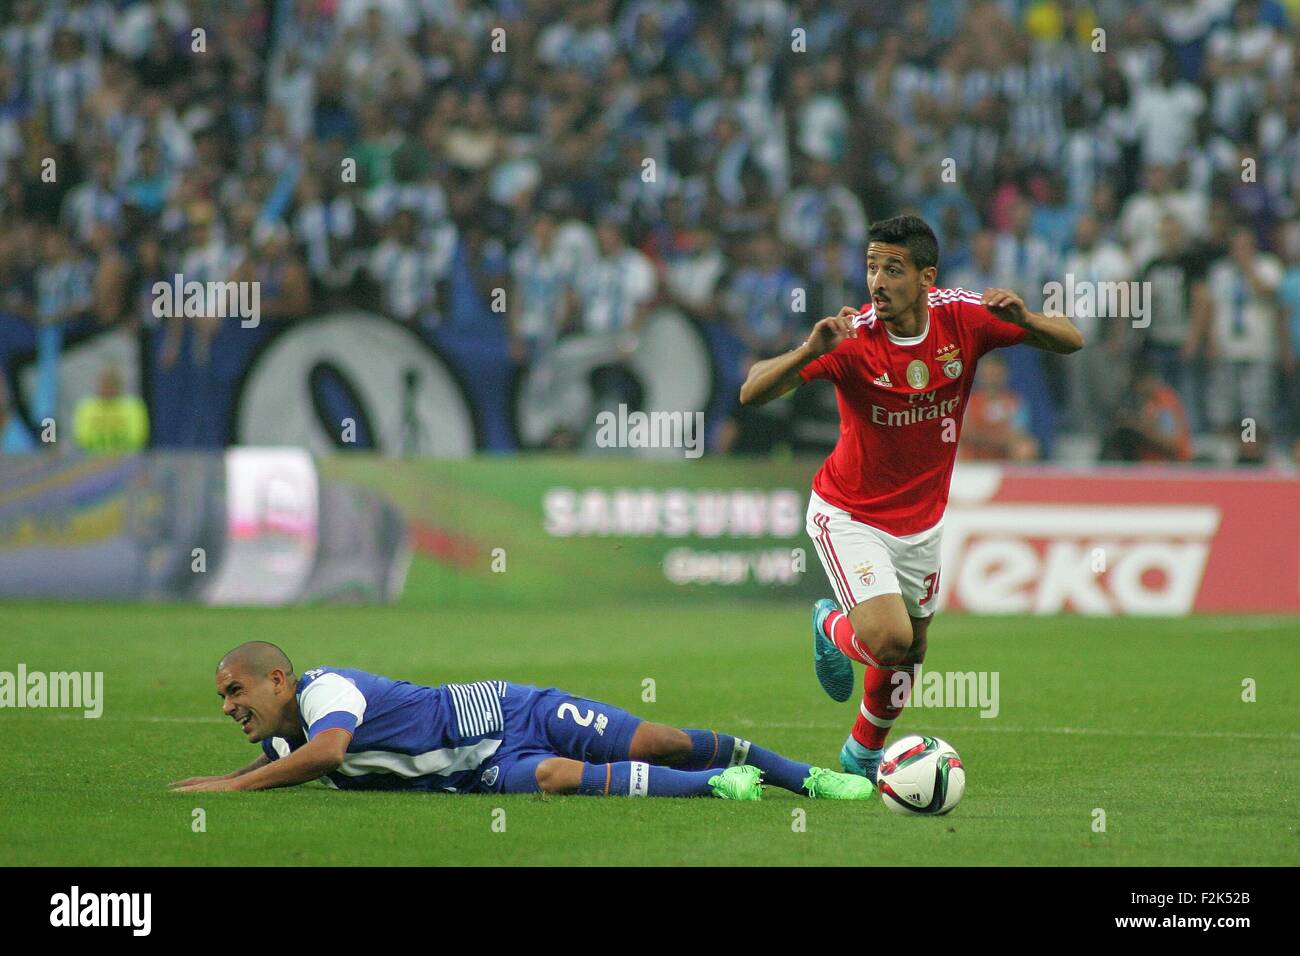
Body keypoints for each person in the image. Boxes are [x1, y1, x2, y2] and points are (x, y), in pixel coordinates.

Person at [738, 215, 1083, 782]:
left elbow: (1071, 340)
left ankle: (863, 753)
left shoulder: (963, 318)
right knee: (888, 637)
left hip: (922, 522)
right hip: (849, 512)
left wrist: (1025, 318)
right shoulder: (852, 339)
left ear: (926, 277)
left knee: (914, 649)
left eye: (891, 269)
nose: (877, 280)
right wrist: (809, 349)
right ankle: (830, 624)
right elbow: (752, 390)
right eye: (871, 266)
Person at [170, 642, 874, 801]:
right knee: (555, 778)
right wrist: (219, 777)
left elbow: (325, 754)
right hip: (478, 768)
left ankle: (806, 778)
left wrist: (230, 792)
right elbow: (284, 758)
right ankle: (721, 785)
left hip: (513, 708)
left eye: (236, 691)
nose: (230, 705)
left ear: (278, 679)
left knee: (660, 740)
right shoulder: (288, 728)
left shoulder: (329, 694)